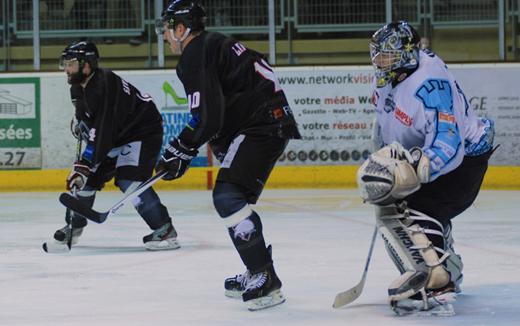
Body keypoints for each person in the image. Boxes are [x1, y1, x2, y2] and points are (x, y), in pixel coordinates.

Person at [155, 0, 301, 311]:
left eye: (168, 29)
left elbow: (209, 117)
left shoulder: (195, 54)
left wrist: (181, 148)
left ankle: (265, 276)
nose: (166, 36)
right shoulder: (213, 44)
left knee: (227, 196)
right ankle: (257, 269)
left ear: (181, 29)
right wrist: (182, 148)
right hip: (265, 121)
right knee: (233, 199)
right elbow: (218, 111)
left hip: (261, 124)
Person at [357, 21, 495, 315]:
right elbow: (382, 123)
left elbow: (450, 144)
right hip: (430, 156)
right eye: (377, 54)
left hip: (464, 162)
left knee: (409, 206)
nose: (379, 61)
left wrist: (414, 170)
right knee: (391, 200)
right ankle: (446, 268)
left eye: (388, 55)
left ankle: (437, 281)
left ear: (407, 54)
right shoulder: (386, 78)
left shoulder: (429, 85)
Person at [53, 40, 179, 251]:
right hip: (116, 135)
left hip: (141, 132)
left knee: (129, 179)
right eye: (65, 63)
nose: (66, 69)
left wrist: (85, 162)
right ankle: (74, 225)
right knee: (87, 180)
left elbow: (103, 131)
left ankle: (164, 230)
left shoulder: (104, 85)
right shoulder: (78, 87)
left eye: (71, 63)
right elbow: (92, 122)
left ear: (87, 64)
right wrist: (82, 125)